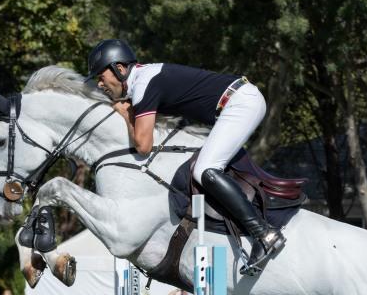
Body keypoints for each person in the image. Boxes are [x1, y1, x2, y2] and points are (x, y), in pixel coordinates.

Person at [86, 39, 285, 275]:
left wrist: (125, 114)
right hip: (236, 102)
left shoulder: (144, 84)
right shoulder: (145, 79)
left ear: (119, 69)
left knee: (205, 170)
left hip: (240, 104)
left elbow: (143, 145)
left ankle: (264, 234)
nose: (100, 84)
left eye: (101, 76)